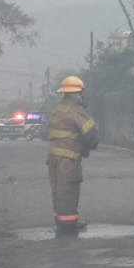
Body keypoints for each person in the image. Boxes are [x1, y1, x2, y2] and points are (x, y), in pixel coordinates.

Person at [46, 75, 99, 234]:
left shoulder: (57, 110)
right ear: (76, 94)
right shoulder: (76, 111)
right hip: (68, 160)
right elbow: (91, 133)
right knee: (68, 190)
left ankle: (60, 220)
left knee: (58, 190)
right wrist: (90, 145)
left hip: (53, 158)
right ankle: (68, 223)